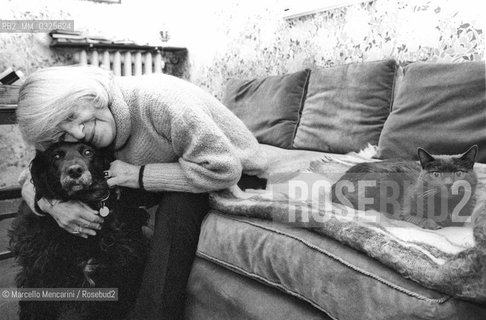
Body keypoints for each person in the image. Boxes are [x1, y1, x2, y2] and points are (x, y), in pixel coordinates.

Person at [16, 65, 268, 320]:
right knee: (63, 190)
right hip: (167, 168)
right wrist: (54, 207)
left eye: (72, 115)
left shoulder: (159, 101)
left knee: (178, 202)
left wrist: (137, 176)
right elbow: (31, 176)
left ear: (88, 94)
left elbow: (223, 169)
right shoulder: (89, 130)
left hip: (233, 172)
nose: (78, 133)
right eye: (62, 132)